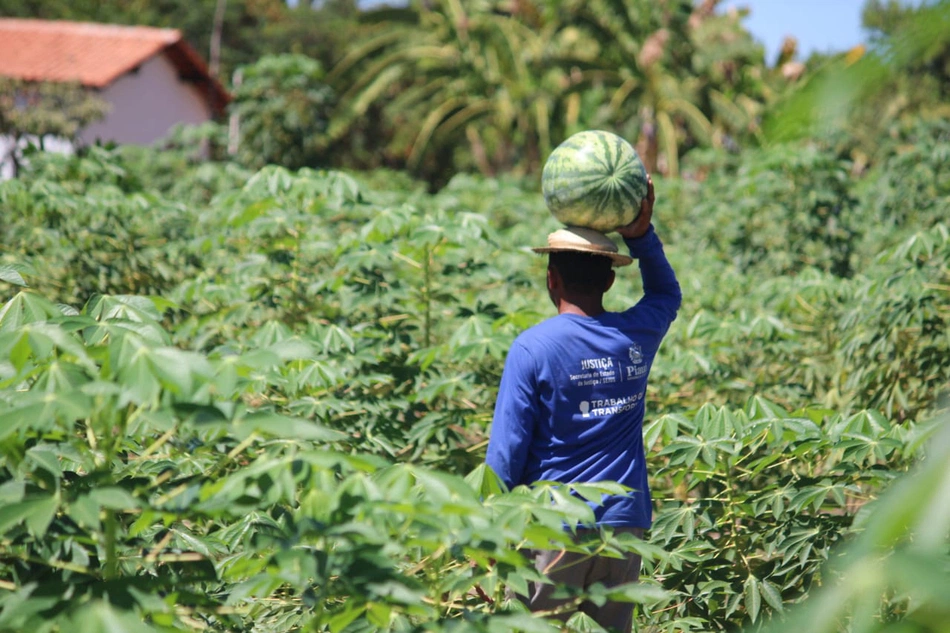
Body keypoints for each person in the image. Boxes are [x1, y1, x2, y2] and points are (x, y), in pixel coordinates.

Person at [485, 178, 681, 632]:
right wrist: (640, 235)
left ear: (551, 278)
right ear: (611, 279)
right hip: (623, 524)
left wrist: (488, 534)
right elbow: (666, 295)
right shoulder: (636, 333)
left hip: (553, 524)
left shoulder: (532, 348)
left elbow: (505, 455)